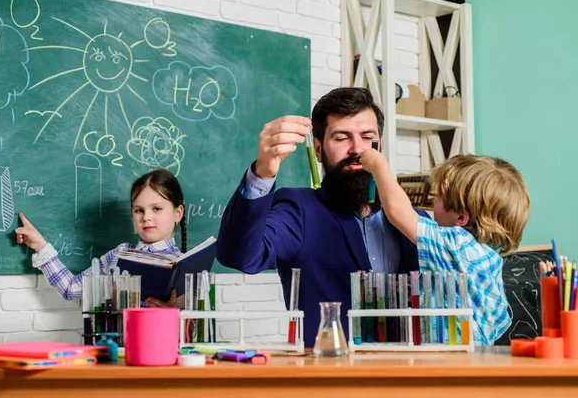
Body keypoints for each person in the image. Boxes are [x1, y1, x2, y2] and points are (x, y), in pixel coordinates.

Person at [216, 87, 429, 347]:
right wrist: (262, 173)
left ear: (380, 145)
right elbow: (240, 255)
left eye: (367, 137)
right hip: (330, 376)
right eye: (342, 138)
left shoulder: (413, 221)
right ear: (318, 150)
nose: (357, 149)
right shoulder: (299, 209)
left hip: (412, 374)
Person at [359, 151, 531, 345]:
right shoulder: (488, 256)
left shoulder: (456, 244)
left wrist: (378, 165)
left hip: (451, 359)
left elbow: (397, 211)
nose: (434, 202)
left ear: (461, 218)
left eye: (439, 197)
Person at [15, 169, 187, 308]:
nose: (146, 217)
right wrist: (41, 246)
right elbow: (71, 289)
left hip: (163, 347)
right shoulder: (120, 254)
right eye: (139, 210)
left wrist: (176, 314)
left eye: (156, 209)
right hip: (118, 347)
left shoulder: (185, 264)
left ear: (177, 213)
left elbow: (196, 331)